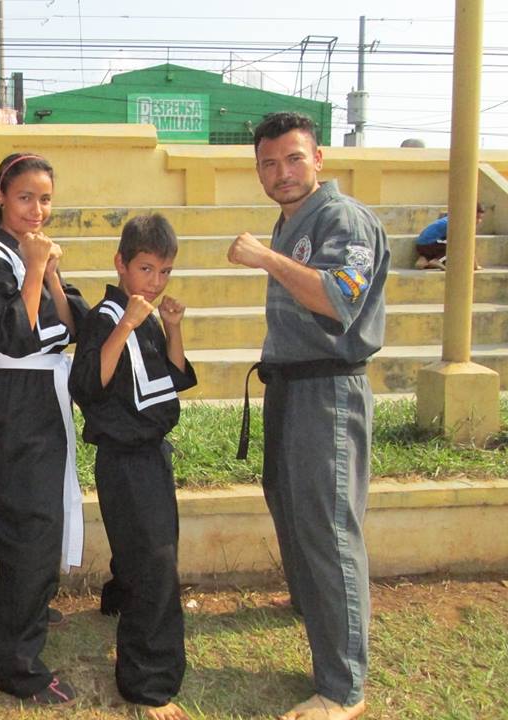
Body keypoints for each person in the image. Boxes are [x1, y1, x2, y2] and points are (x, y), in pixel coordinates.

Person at [228, 112, 389, 720]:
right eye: (268, 163)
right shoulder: (295, 219)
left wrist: (267, 258)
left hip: (328, 392)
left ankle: (343, 687)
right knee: (289, 506)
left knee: (326, 529)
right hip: (291, 389)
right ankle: (316, 609)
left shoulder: (342, 219)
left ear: (319, 159)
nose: (281, 173)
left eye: (293, 159)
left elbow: (339, 297)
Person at [0, 153, 89, 705]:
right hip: (19, 393)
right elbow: (13, 334)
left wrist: (49, 270)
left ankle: (29, 610)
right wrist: (35, 268)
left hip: (45, 394)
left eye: (45, 199)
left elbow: (75, 324)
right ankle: (18, 666)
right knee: (28, 523)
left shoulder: (32, 251)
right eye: (25, 198)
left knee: (43, 515)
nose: (37, 209)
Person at [69, 214, 196, 720]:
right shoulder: (106, 317)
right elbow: (88, 385)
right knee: (155, 562)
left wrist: (172, 328)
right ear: (121, 264)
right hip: (122, 457)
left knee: (148, 550)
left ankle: (116, 601)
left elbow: (176, 376)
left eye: (164, 271)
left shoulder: (147, 314)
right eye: (146, 268)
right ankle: (147, 684)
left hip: (151, 453)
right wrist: (124, 326)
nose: (156, 281)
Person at [414, 202, 485, 270]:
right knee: (457, 246)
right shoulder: (460, 223)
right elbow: (468, 246)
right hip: (431, 243)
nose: (479, 221)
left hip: (421, 244)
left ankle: (422, 261)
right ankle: (437, 261)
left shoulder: (453, 217)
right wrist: (475, 266)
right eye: (477, 217)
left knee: (444, 243)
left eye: (481, 218)